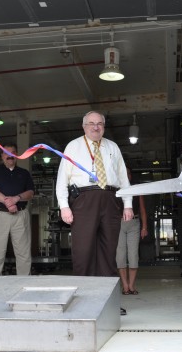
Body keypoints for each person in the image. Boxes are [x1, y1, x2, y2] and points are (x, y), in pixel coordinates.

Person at [56, 111, 133, 315]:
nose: (95, 127)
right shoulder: (73, 146)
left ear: (104, 126)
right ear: (84, 126)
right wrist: (64, 206)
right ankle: (82, 303)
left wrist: (128, 204)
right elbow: (62, 179)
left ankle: (108, 304)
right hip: (83, 200)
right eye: (91, 123)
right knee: (83, 252)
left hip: (110, 198)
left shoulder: (112, 147)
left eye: (99, 124)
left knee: (108, 253)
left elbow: (123, 177)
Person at [0, 143, 35, 276]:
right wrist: (7, 201)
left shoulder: (24, 173)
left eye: (13, 153)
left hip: (20, 215)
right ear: (2, 156)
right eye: (7, 153)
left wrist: (17, 198)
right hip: (0, 216)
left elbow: (30, 193)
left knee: (23, 253)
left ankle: (23, 283)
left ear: (16, 156)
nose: (10, 155)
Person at [116, 168, 148, 295]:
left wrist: (144, 227)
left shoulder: (136, 189)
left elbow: (142, 209)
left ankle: (131, 285)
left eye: (128, 173)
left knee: (133, 255)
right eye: (123, 173)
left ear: (130, 176)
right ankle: (125, 286)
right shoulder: (115, 190)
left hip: (134, 223)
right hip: (119, 224)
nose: (126, 175)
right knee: (120, 256)